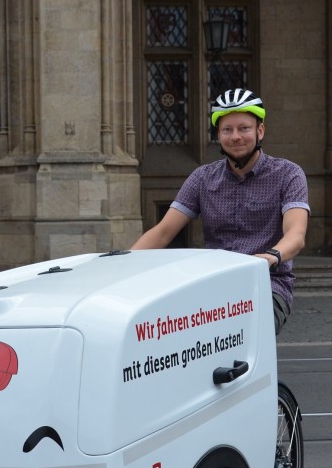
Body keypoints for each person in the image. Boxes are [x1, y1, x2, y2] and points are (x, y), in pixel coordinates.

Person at [132, 88, 309, 334]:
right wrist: (125, 264)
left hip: (267, 284)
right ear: (219, 135)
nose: (235, 136)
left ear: (260, 131)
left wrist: (270, 257)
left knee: (246, 329)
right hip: (214, 284)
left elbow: (296, 234)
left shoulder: (288, 174)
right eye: (227, 130)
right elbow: (163, 232)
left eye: (244, 128)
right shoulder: (202, 178)